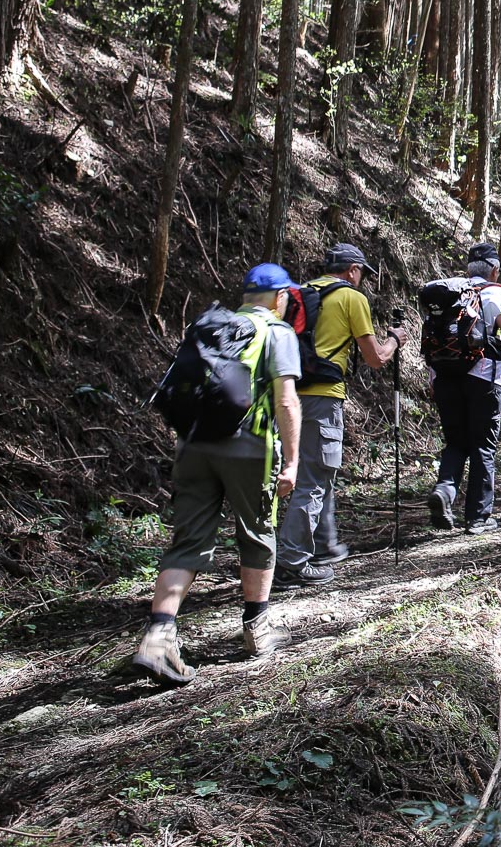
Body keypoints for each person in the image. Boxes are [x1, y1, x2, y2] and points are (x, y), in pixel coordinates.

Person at [132, 263, 302, 684]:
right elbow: (286, 402)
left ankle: (158, 636)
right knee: (258, 531)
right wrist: (293, 461)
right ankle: (256, 629)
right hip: (249, 449)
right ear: (280, 298)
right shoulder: (277, 333)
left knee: (189, 539)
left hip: (193, 445)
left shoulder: (211, 326)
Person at [276, 242, 405, 587]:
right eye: (361, 273)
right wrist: (394, 340)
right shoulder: (352, 298)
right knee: (314, 478)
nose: (361, 280)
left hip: (286, 394)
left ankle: (323, 545)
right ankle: (292, 559)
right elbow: (376, 357)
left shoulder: (299, 293)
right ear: (352, 270)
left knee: (312, 473)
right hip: (323, 398)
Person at [427, 242, 501, 534]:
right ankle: (478, 517)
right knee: (483, 447)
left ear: (468, 268)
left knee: (456, 442)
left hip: (444, 377)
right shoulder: (496, 292)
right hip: (483, 379)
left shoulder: (451, 293)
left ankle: (445, 491)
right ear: (495, 270)